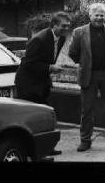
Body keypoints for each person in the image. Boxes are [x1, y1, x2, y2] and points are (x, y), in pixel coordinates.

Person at [68, 3, 105, 152]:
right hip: (89, 75)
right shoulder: (79, 32)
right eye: (97, 15)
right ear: (90, 16)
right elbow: (73, 52)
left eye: (102, 15)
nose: (99, 18)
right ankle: (85, 140)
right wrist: (85, 63)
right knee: (87, 110)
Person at [15, 11, 71, 156]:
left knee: (45, 115)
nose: (66, 29)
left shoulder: (62, 38)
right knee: (31, 117)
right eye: (63, 26)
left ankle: (45, 147)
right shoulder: (38, 39)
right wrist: (50, 68)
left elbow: (48, 59)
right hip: (28, 84)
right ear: (54, 25)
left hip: (42, 81)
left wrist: (49, 69)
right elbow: (29, 64)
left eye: (68, 26)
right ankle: (30, 150)